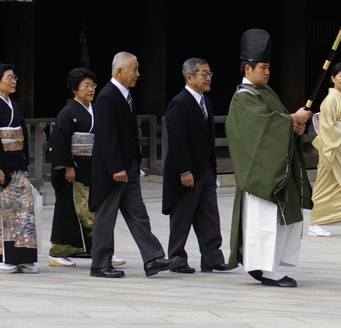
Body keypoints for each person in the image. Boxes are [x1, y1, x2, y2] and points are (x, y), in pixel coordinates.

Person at [225, 29, 311, 287]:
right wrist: (291, 120)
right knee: (263, 222)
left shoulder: (266, 92)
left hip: (274, 167)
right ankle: (266, 268)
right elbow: (261, 128)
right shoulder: (243, 98)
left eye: (268, 67)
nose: (267, 72)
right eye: (262, 67)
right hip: (262, 172)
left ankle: (267, 264)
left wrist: (294, 127)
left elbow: (278, 121)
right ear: (247, 69)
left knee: (278, 220)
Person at [89, 52, 180, 278]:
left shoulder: (126, 95)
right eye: (134, 69)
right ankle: (100, 263)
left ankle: (153, 257)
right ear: (119, 71)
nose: (138, 74)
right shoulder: (107, 96)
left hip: (128, 166)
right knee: (106, 216)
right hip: (114, 169)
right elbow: (106, 136)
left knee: (138, 212)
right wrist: (116, 167)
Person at [162, 57, 228, 273]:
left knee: (209, 214)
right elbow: (177, 141)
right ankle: (177, 258)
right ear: (189, 77)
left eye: (210, 73)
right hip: (187, 170)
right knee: (182, 215)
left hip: (206, 169)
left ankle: (212, 258)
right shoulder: (179, 103)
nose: (208, 78)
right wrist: (184, 170)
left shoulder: (205, 101)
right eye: (203, 74)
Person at [0, 63, 39, 274]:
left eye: (15, 77)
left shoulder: (14, 105)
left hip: (17, 164)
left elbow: (21, 133)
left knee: (24, 212)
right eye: (9, 77)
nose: (13, 81)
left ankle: (24, 256)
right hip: (1, 166)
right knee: (0, 212)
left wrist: (24, 161)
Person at [47, 67, 98, 267]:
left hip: (90, 166)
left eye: (92, 85)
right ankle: (57, 251)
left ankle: (91, 248)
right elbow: (60, 141)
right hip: (74, 167)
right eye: (86, 85)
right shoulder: (68, 112)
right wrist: (67, 166)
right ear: (74, 89)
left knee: (90, 209)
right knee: (67, 208)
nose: (91, 89)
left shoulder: (96, 110)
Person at [308, 62, 341, 236]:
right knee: (329, 183)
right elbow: (326, 127)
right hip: (334, 147)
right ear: (333, 78)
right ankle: (315, 221)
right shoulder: (330, 100)